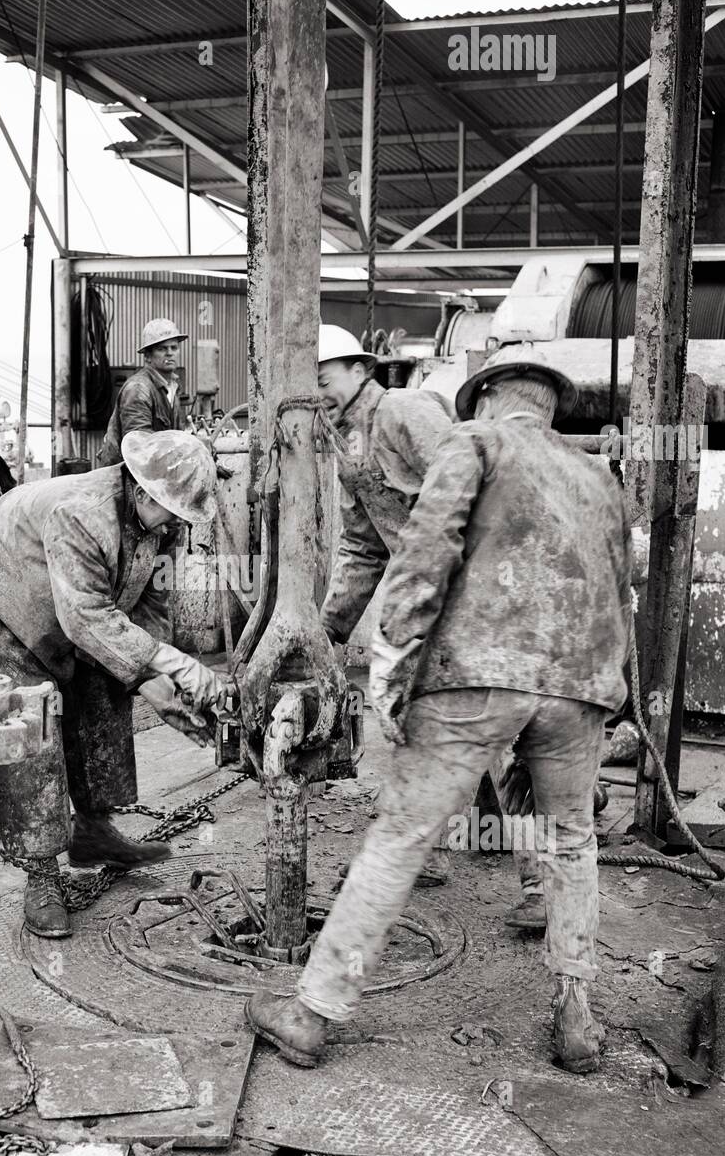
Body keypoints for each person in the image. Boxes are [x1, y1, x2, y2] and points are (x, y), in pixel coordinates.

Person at [247, 363, 632, 1075]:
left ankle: (312, 1011)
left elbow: (427, 549)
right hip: (579, 682)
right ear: (549, 407)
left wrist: (393, 658)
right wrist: (615, 692)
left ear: (485, 397)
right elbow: (619, 584)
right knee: (571, 841)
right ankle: (575, 1014)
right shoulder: (594, 475)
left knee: (400, 836)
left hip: (475, 670)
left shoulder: (472, 441)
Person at [0, 430, 232, 940]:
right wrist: (180, 668)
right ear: (146, 494)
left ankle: (95, 832)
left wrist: (151, 677)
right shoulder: (83, 513)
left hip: (75, 607)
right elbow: (85, 619)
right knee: (29, 720)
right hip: (0, 599)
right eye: (173, 515)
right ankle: (41, 875)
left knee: (107, 688)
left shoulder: (158, 523)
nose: (177, 526)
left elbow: (149, 607)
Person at [316, 323, 456, 884]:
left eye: (324, 379)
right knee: (417, 715)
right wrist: (325, 631)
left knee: (491, 721)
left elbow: (468, 481)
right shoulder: (343, 441)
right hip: (426, 594)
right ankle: (429, 841)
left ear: (359, 370)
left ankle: (535, 876)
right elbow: (362, 544)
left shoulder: (401, 411)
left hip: (469, 585)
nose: (318, 393)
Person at [98, 319, 189, 467]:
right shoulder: (138, 389)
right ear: (147, 356)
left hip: (155, 470)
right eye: (162, 349)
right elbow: (140, 446)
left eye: (174, 347)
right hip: (127, 475)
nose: (169, 353)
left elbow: (178, 438)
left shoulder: (172, 388)